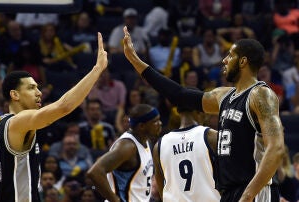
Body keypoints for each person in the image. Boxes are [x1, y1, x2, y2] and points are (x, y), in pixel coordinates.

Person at [122, 26, 285, 201]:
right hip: (230, 192)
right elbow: (180, 95)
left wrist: (248, 194)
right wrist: (135, 61)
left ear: (243, 61)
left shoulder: (260, 94)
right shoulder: (224, 96)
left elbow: (276, 148)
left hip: (255, 191)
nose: (224, 60)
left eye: (230, 55)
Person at [0, 32, 108, 202]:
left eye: (38, 87)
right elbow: (64, 107)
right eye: (31, 88)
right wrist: (97, 70)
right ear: (15, 94)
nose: (39, 93)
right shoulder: (18, 122)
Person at [87, 104, 162, 202]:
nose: (160, 123)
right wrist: (115, 200)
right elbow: (95, 172)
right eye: (155, 122)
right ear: (142, 126)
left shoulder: (147, 141)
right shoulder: (127, 147)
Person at [152, 105, 220, 201]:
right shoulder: (212, 136)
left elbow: (161, 190)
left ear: (179, 112)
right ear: (200, 112)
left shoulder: (159, 145)